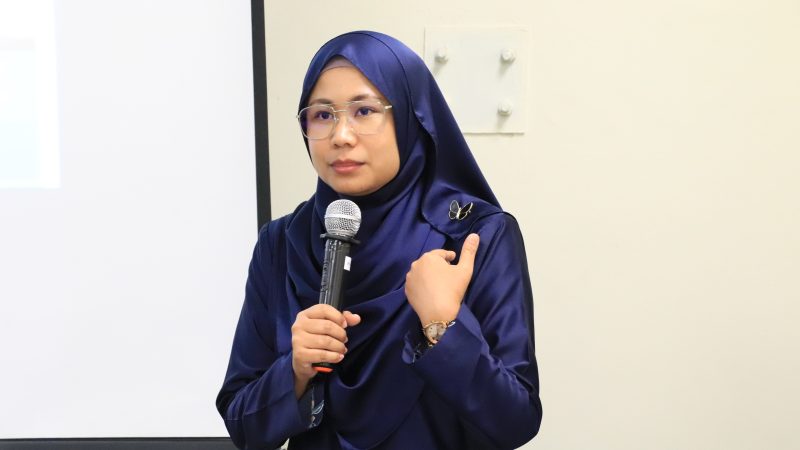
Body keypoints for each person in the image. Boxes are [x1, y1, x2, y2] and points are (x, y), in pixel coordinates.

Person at [216, 31, 542, 449]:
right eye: (322, 115)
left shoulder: (473, 237)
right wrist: (294, 371)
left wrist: (442, 326)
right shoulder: (281, 244)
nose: (341, 136)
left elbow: (516, 421)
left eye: (364, 110)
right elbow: (242, 425)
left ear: (409, 116)